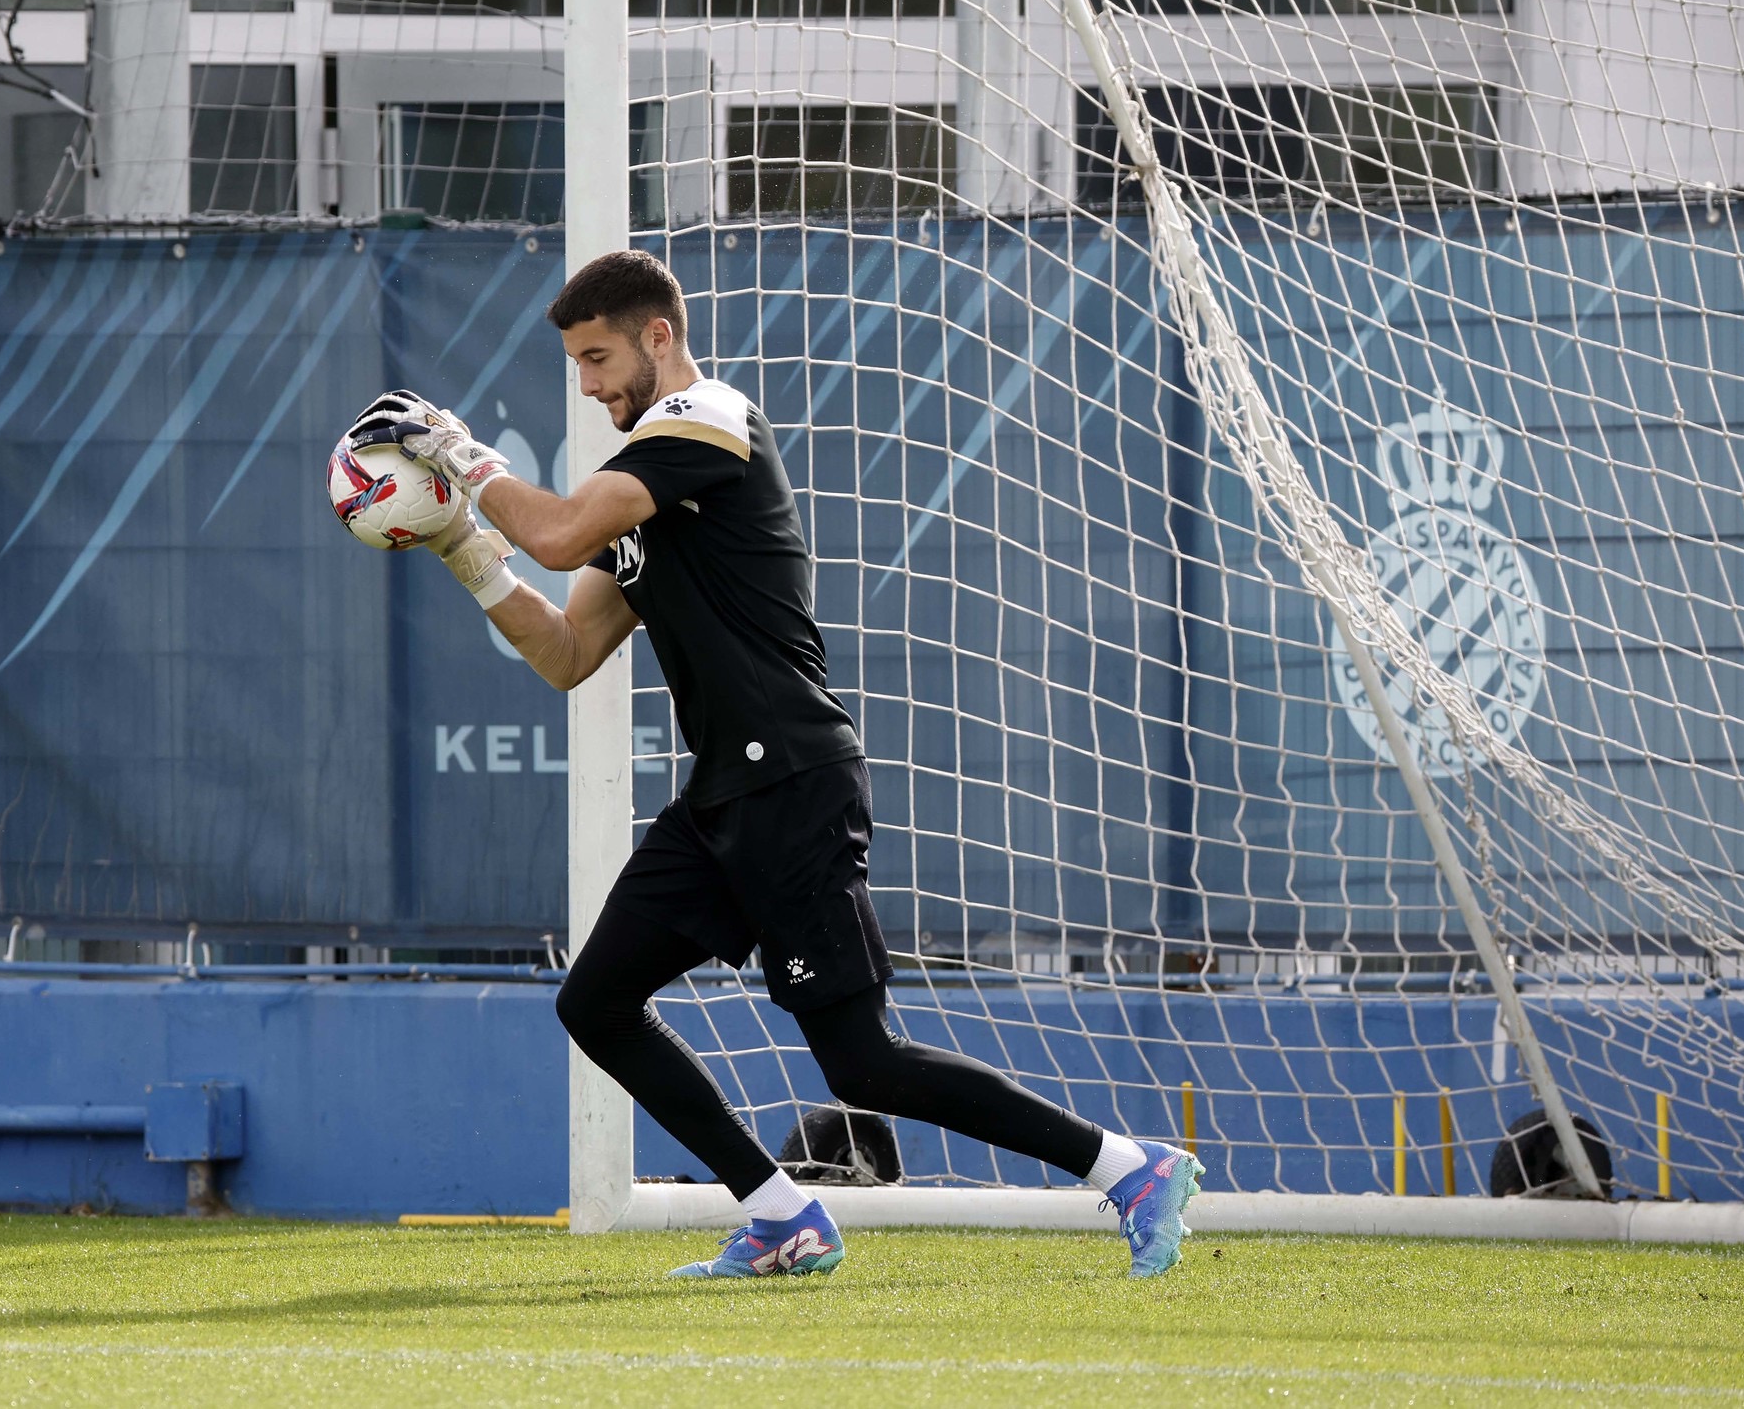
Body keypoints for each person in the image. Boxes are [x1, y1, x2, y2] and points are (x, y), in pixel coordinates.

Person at [343, 249, 1202, 1280]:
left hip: (791, 778)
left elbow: (563, 532)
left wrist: (460, 454)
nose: (586, 384)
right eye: (574, 364)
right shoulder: (646, 493)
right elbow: (566, 653)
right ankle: (780, 1212)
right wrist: (461, 546)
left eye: (597, 356)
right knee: (596, 1001)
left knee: (862, 1060)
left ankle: (1125, 1165)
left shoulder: (708, 418)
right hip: (721, 792)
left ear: (658, 336)